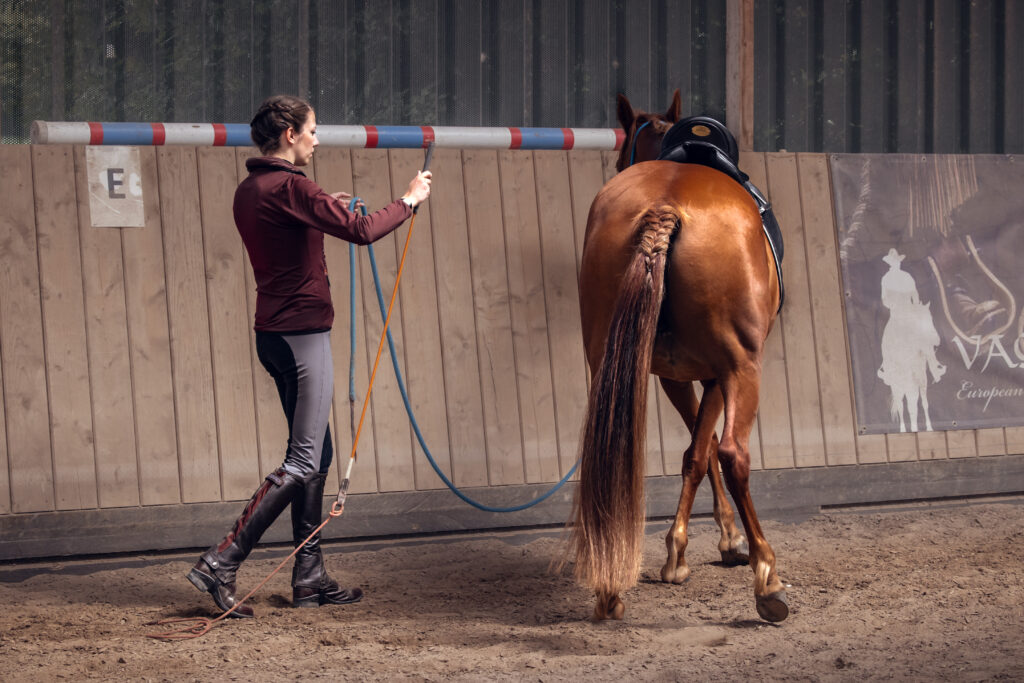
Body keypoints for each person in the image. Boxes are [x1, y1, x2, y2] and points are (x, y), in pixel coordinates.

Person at [186, 94, 431, 618]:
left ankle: (310, 574)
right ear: (290, 135)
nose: (318, 140)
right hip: (303, 336)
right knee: (302, 460)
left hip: (272, 334)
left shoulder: (252, 189)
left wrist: (320, 208)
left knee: (317, 456)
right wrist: (408, 200)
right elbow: (363, 231)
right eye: (313, 131)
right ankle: (221, 561)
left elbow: (291, 225)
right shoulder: (294, 186)